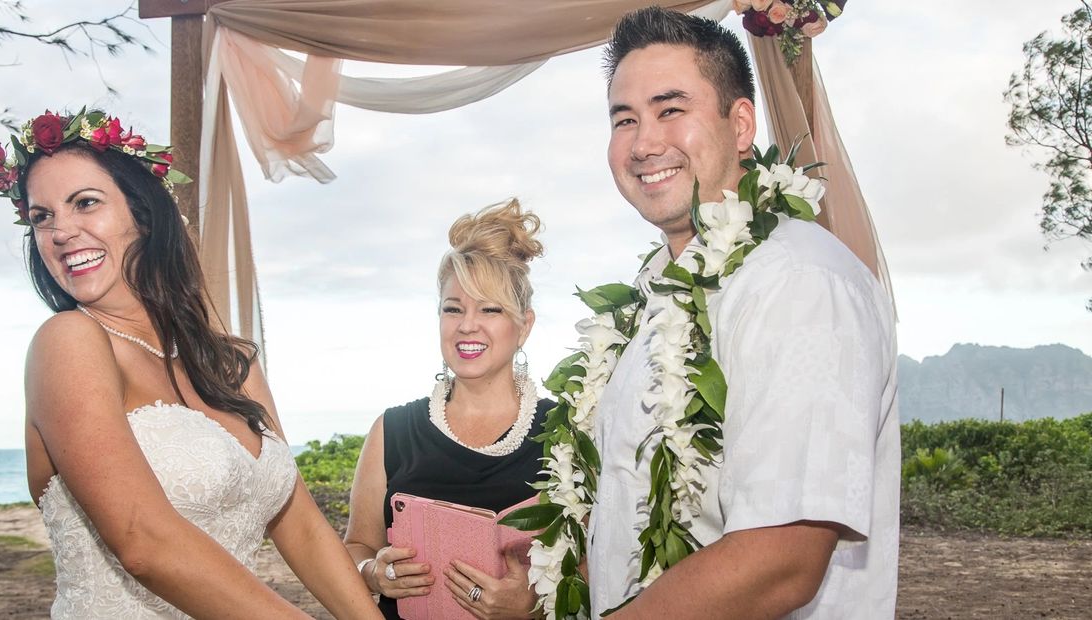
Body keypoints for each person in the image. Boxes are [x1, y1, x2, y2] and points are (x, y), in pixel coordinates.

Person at [0, 109, 383, 619]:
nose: (61, 231)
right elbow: (142, 539)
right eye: (42, 216)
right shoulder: (70, 343)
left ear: (143, 216)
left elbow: (298, 521)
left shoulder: (231, 362)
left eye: (85, 203)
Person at [586, 7, 900, 619]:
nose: (645, 142)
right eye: (625, 119)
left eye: (670, 109)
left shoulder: (801, 284)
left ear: (741, 124)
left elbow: (783, 557)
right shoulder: (659, 294)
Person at [343, 199, 554, 619]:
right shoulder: (392, 430)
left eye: (489, 309)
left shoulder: (566, 431)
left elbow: (600, 564)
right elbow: (355, 548)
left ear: (524, 325)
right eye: (452, 308)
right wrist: (373, 572)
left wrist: (535, 605)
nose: (466, 325)